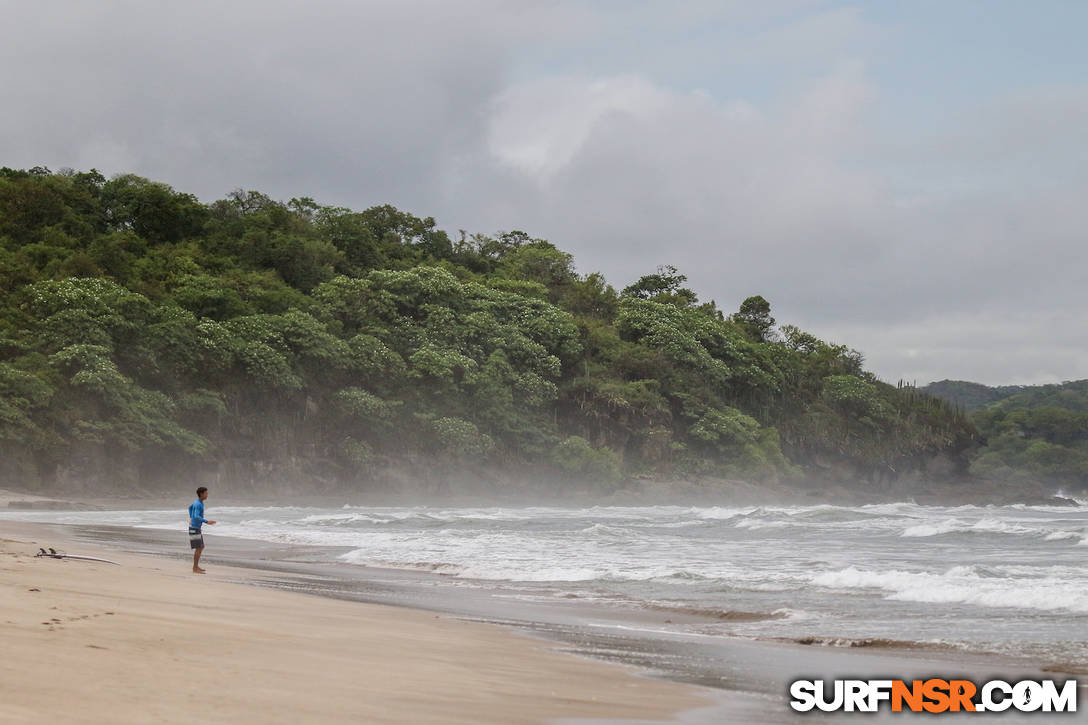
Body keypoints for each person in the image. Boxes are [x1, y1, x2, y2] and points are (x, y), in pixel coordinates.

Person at [188, 487, 216, 573]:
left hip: (196, 528)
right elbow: (196, 516)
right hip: (194, 528)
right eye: (206, 493)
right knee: (199, 548)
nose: (207, 495)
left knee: (201, 546)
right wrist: (207, 521)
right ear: (201, 494)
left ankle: (196, 567)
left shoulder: (199, 502)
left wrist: (190, 517)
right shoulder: (198, 504)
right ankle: (194, 568)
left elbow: (189, 507)